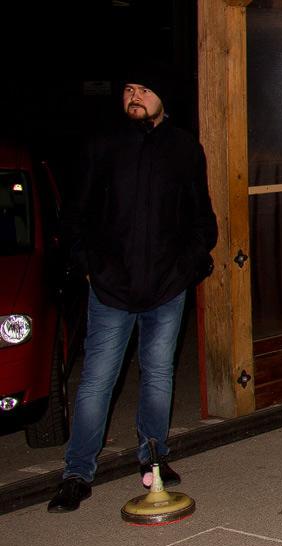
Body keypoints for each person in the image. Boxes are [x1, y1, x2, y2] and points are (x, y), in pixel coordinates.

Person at [47, 63, 218, 512]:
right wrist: (89, 267)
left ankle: (154, 458)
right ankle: (77, 472)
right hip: (111, 288)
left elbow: (202, 219)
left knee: (158, 374)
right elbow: (75, 216)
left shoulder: (184, 148)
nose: (134, 97)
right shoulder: (103, 145)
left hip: (166, 287)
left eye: (144, 89)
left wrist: (185, 267)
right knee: (97, 379)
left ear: (164, 98)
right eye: (128, 89)